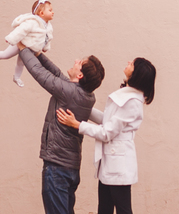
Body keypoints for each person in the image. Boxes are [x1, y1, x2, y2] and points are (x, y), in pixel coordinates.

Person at [57, 57, 156, 214]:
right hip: (111, 162)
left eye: (133, 64)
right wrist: (84, 108)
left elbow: (107, 133)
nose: (129, 62)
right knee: (104, 209)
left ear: (137, 74)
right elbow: (108, 122)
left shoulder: (132, 102)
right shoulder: (127, 96)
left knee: (123, 209)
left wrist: (77, 125)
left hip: (119, 165)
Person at [20, 46, 105, 214]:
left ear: (80, 75)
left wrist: (22, 49)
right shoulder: (86, 95)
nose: (75, 61)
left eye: (79, 63)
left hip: (57, 168)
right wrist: (38, 54)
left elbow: (39, 73)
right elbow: (57, 74)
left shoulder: (68, 92)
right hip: (69, 168)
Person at [0, 0, 54, 87]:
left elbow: (48, 37)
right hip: (20, 43)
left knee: (21, 64)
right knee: (6, 54)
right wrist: (11, 38)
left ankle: (17, 77)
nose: (52, 12)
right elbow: (21, 30)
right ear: (41, 13)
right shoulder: (32, 22)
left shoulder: (48, 26)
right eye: (50, 10)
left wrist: (45, 47)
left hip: (29, 49)